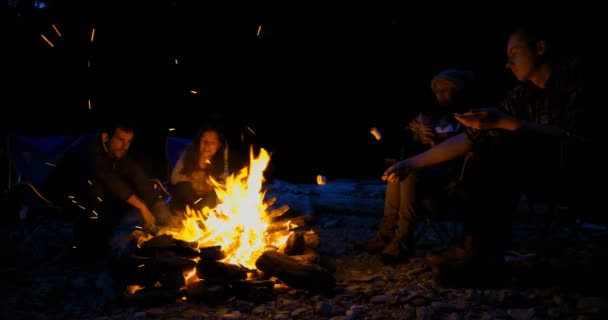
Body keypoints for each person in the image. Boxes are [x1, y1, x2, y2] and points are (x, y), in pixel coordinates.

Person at [383, 23, 584, 285]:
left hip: (579, 172)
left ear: (541, 48)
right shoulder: (520, 96)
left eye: (514, 54)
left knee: (498, 147)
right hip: (533, 177)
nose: (507, 64)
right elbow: (468, 139)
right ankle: (475, 251)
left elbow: (577, 137)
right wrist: (410, 162)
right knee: (486, 146)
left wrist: (506, 124)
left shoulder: (577, 80)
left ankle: (478, 255)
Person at [355, 68, 477, 263]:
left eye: (446, 90)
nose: (441, 95)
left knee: (410, 172)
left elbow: (461, 157)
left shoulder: (472, 119)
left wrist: (434, 143)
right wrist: (419, 137)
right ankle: (386, 235)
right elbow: (410, 149)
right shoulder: (435, 119)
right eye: (437, 92)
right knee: (399, 170)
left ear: (460, 90)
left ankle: (402, 241)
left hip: (455, 184)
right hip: (430, 180)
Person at [42, 122, 169, 257]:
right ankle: (84, 248)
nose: (125, 146)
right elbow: (109, 179)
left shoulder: (115, 150)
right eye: (120, 140)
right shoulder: (89, 148)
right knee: (102, 193)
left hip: (89, 190)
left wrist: (158, 206)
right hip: (63, 190)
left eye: (129, 142)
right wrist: (142, 207)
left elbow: (136, 174)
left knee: (121, 194)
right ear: (105, 137)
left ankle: (101, 243)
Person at [169, 122, 247, 213]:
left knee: (215, 194)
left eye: (212, 142)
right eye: (204, 141)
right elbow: (174, 177)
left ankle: (204, 214)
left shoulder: (221, 159)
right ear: (199, 141)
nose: (207, 145)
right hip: (186, 202)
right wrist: (191, 179)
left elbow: (224, 181)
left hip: (206, 202)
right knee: (183, 187)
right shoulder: (188, 154)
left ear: (219, 145)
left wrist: (211, 182)